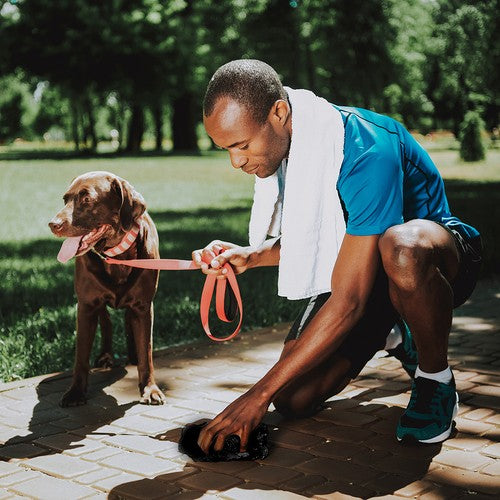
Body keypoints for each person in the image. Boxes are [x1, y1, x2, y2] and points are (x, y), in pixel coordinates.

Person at [192, 59, 482, 453]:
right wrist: (250, 255)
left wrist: (254, 397)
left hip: (436, 262)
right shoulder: (289, 149)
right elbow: (325, 239)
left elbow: (348, 301)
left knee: (401, 247)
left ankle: (435, 380)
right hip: (366, 274)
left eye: (242, 145)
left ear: (279, 112)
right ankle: (392, 332)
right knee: (294, 398)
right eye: (226, 149)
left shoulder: (366, 151)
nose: (236, 161)